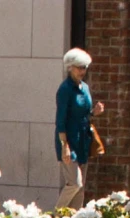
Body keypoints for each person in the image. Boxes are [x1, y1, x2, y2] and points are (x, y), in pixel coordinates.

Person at [55, 48, 98, 209]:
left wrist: (95, 112)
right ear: (70, 67)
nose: (82, 71)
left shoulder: (85, 88)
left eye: (85, 67)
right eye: (79, 67)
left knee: (81, 188)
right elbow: (61, 120)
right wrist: (64, 146)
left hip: (83, 138)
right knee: (75, 183)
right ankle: (55, 215)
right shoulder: (65, 90)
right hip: (68, 139)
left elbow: (85, 113)